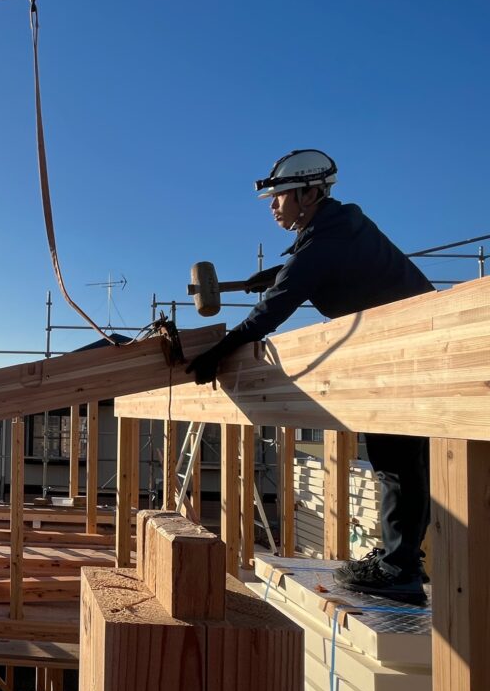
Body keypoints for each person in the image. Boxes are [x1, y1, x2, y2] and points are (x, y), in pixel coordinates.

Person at [185, 149, 433, 605]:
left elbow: (276, 308)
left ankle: (400, 569)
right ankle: (401, 561)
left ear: (310, 192)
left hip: (410, 349)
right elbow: (302, 272)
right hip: (403, 346)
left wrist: (218, 352)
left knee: (397, 462)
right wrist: (281, 273)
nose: (274, 206)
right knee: (397, 461)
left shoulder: (328, 239)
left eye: (280, 197)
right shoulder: (335, 230)